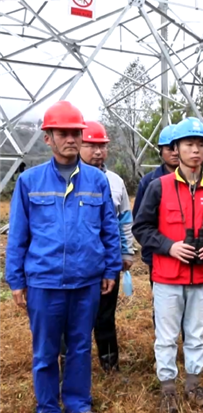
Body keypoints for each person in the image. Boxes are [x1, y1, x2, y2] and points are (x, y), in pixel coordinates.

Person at [5, 100, 122, 413]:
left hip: (86, 282)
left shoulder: (97, 181)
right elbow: (18, 235)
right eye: (63, 133)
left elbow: (109, 229)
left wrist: (111, 269)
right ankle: (47, 406)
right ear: (48, 138)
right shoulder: (29, 182)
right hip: (44, 282)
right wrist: (15, 280)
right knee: (45, 351)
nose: (71, 138)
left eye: (76, 133)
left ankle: (78, 403)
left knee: (80, 348)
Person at [132, 117, 203, 412]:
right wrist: (170, 246)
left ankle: (193, 385)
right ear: (176, 149)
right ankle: (168, 389)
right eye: (189, 144)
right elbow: (141, 227)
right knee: (166, 337)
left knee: (196, 335)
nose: (196, 150)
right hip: (167, 276)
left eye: (201, 145)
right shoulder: (158, 186)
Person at [73, 120, 135, 373]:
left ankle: (110, 366)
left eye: (102, 146)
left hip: (107, 261)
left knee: (105, 315)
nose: (98, 152)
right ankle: (71, 367)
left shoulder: (115, 181)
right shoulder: (69, 178)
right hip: (76, 262)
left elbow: (124, 219)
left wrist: (126, 252)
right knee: (73, 318)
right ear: (79, 145)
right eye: (91, 146)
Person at [133, 124, 180, 288]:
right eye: (169, 148)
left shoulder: (198, 181)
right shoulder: (149, 182)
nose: (175, 153)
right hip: (157, 254)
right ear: (161, 151)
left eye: (178, 147)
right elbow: (139, 221)